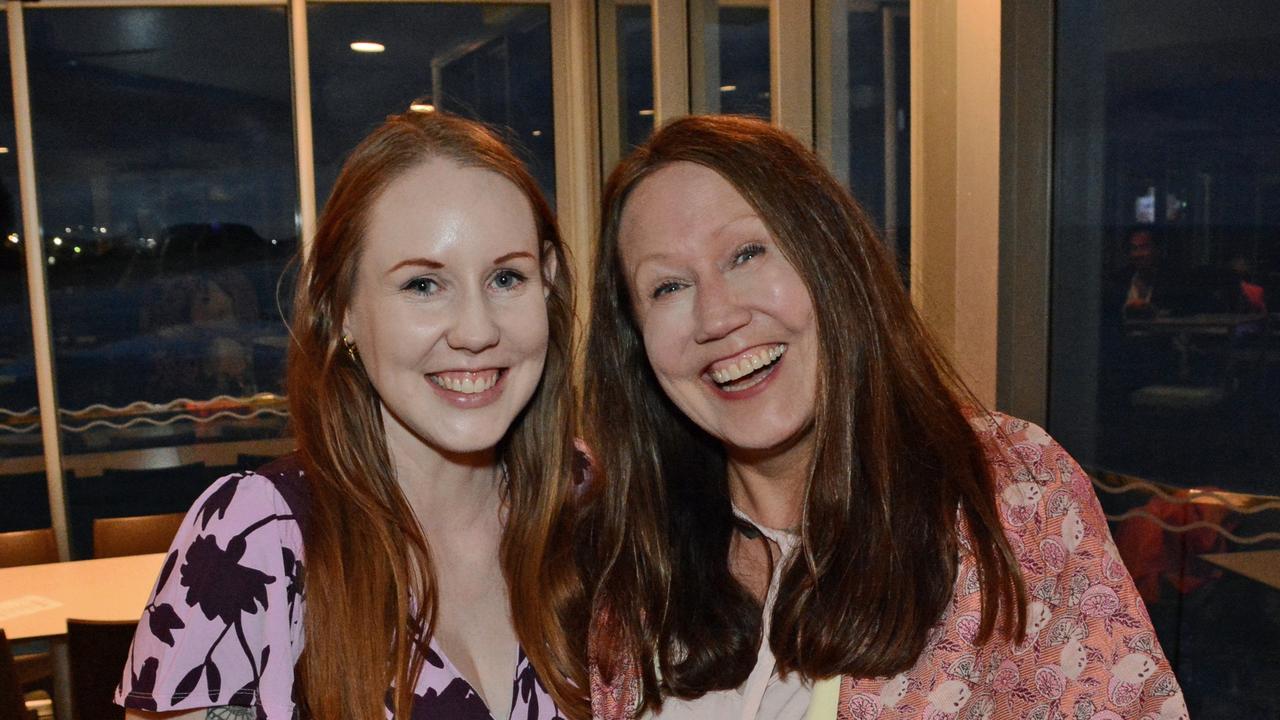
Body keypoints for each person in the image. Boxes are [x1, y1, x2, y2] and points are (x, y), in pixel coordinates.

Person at [582, 115, 1186, 720]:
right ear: (635, 340)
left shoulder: (1005, 492)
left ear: (830, 259)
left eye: (747, 253)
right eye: (667, 287)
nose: (715, 317)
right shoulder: (634, 552)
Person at [114, 109, 588, 719]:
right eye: (423, 285)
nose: (476, 331)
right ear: (342, 310)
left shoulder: (590, 499)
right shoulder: (255, 539)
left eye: (506, 277)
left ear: (546, 282)